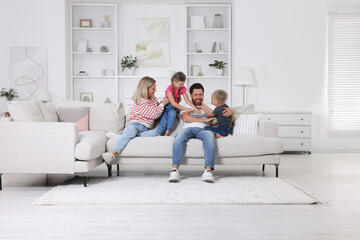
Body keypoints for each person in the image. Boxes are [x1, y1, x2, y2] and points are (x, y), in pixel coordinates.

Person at [168, 83, 234, 183]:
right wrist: (204, 120)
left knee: (210, 137)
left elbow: (224, 118)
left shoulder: (211, 106)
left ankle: (207, 171)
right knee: (179, 136)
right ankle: (174, 171)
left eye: (200, 94)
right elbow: (186, 118)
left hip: (204, 130)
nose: (198, 97)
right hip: (188, 129)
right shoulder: (186, 106)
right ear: (191, 95)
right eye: (196, 95)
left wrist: (231, 112)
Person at [102, 76, 169, 164]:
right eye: (153, 88)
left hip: (145, 128)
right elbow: (154, 114)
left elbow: (157, 108)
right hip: (135, 124)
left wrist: (163, 103)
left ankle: (121, 137)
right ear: (146, 89)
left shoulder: (152, 98)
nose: (155, 90)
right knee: (131, 130)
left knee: (156, 133)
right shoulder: (141, 101)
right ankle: (112, 153)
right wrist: (162, 104)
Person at [157, 72, 200, 136]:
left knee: (173, 114)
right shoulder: (169, 88)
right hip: (167, 107)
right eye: (181, 84)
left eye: (183, 84)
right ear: (174, 82)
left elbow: (187, 100)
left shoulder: (182, 88)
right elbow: (173, 103)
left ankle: (166, 134)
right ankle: (159, 135)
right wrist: (187, 109)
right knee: (164, 121)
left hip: (174, 108)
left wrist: (194, 108)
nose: (182, 86)